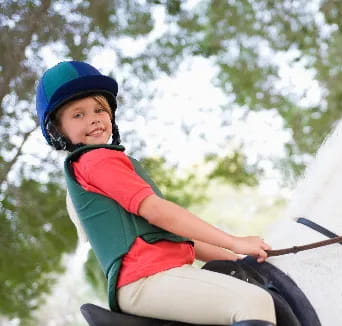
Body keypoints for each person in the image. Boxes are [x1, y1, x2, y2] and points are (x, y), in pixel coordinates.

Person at [35, 61, 276, 325]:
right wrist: (235, 241)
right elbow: (157, 212)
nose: (93, 118)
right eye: (78, 115)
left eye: (99, 109)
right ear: (58, 130)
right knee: (253, 301)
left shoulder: (103, 164)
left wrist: (237, 257)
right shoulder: (96, 160)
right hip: (146, 278)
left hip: (162, 274)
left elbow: (176, 233)